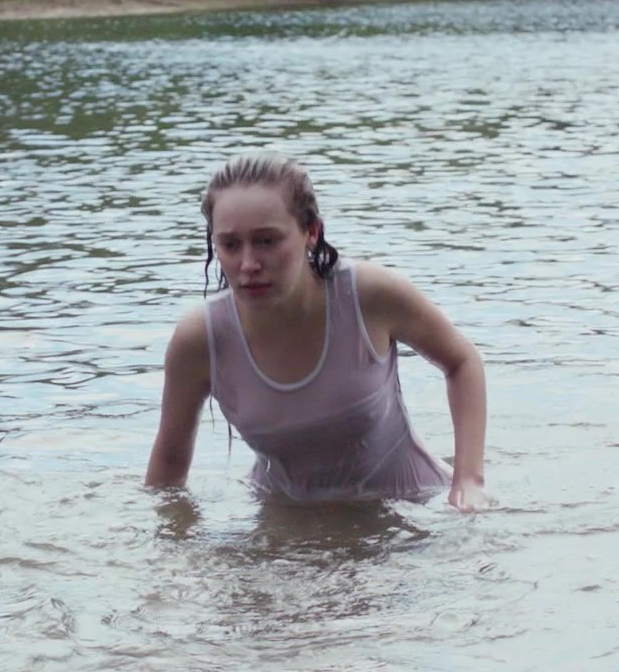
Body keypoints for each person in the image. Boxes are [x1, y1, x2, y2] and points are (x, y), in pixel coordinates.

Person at [144, 152, 489, 510]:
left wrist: (469, 481)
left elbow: (462, 361)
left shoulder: (369, 295)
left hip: (405, 507)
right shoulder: (200, 339)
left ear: (311, 232)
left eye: (267, 241)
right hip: (284, 519)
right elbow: (167, 473)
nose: (248, 264)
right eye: (231, 245)